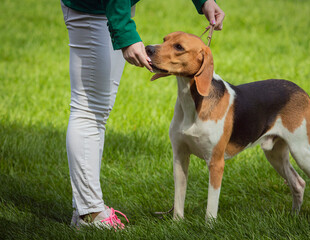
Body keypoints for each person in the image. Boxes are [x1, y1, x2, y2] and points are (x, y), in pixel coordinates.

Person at [60, 0, 225, 229]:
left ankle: (86, 208)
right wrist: (125, 33)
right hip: (95, 7)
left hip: (116, 8)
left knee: (98, 110)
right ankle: (90, 212)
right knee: (89, 110)